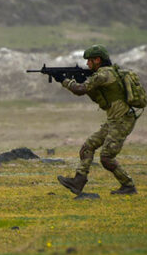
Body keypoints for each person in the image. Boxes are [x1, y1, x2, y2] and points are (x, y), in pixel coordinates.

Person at [56, 45, 138, 196]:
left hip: (122, 121)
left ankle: (128, 185)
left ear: (98, 60)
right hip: (114, 120)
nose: (87, 64)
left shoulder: (104, 75)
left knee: (106, 158)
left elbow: (80, 90)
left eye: (89, 61)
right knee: (88, 147)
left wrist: (64, 80)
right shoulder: (105, 73)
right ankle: (78, 182)